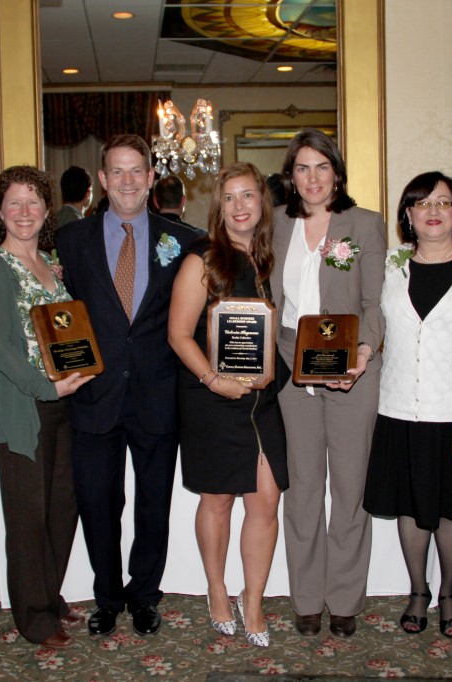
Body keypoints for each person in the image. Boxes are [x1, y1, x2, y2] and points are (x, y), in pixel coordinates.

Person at [55, 134, 201, 637]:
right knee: (98, 504)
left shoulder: (183, 241)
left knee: (152, 503)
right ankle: (107, 597)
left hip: (158, 396)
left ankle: (144, 595)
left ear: (151, 177)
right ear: (101, 180)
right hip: (94, 397)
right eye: (116, 172)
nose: (127, 181)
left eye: (136, 170)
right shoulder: (69, 241)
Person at [363, 172, 452, 639]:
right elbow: (371, 324)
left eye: (443, 202)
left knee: (450, 509)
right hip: (399, 407)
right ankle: (418, 590)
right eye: (422, 203)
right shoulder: (392, 265)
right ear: (408, 215)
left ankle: (449, 592)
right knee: (410, 505)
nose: (433, 211)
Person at [167, 162, 289, 647]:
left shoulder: (267, 259)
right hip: (210, 397)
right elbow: (178, 334)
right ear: (220, 207)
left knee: (266, 498)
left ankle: (252, 600)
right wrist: (213, 380)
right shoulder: (203, 259)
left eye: (249, 196)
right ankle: (217, 591)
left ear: (262, 204)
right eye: (230, 198)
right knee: (217, 499)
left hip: (263, 401)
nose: (240, 206)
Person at [271, 128, 385, 638]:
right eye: (302, 168)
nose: (312, 178)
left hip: (351, 366)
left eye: (321, 167)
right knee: (302, 489)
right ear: (290, 177)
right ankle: (307, 597)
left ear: (336, 172)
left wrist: (362, 354)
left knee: (349, 487)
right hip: (292, 362)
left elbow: (374, 304)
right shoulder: (275, 225)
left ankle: (343, 598)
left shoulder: (364, 224)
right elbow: (270, 304)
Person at [0, 166, 94, 650]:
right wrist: (48, 389)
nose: (24, 212)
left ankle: (47, 592)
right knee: (27, 517)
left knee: (61, 509)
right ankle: (33, 616)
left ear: (47, 210)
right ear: (0, 211)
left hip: (64, 406)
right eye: (14, 203)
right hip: (23, 407)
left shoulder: (52, 261)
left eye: (34, 202)